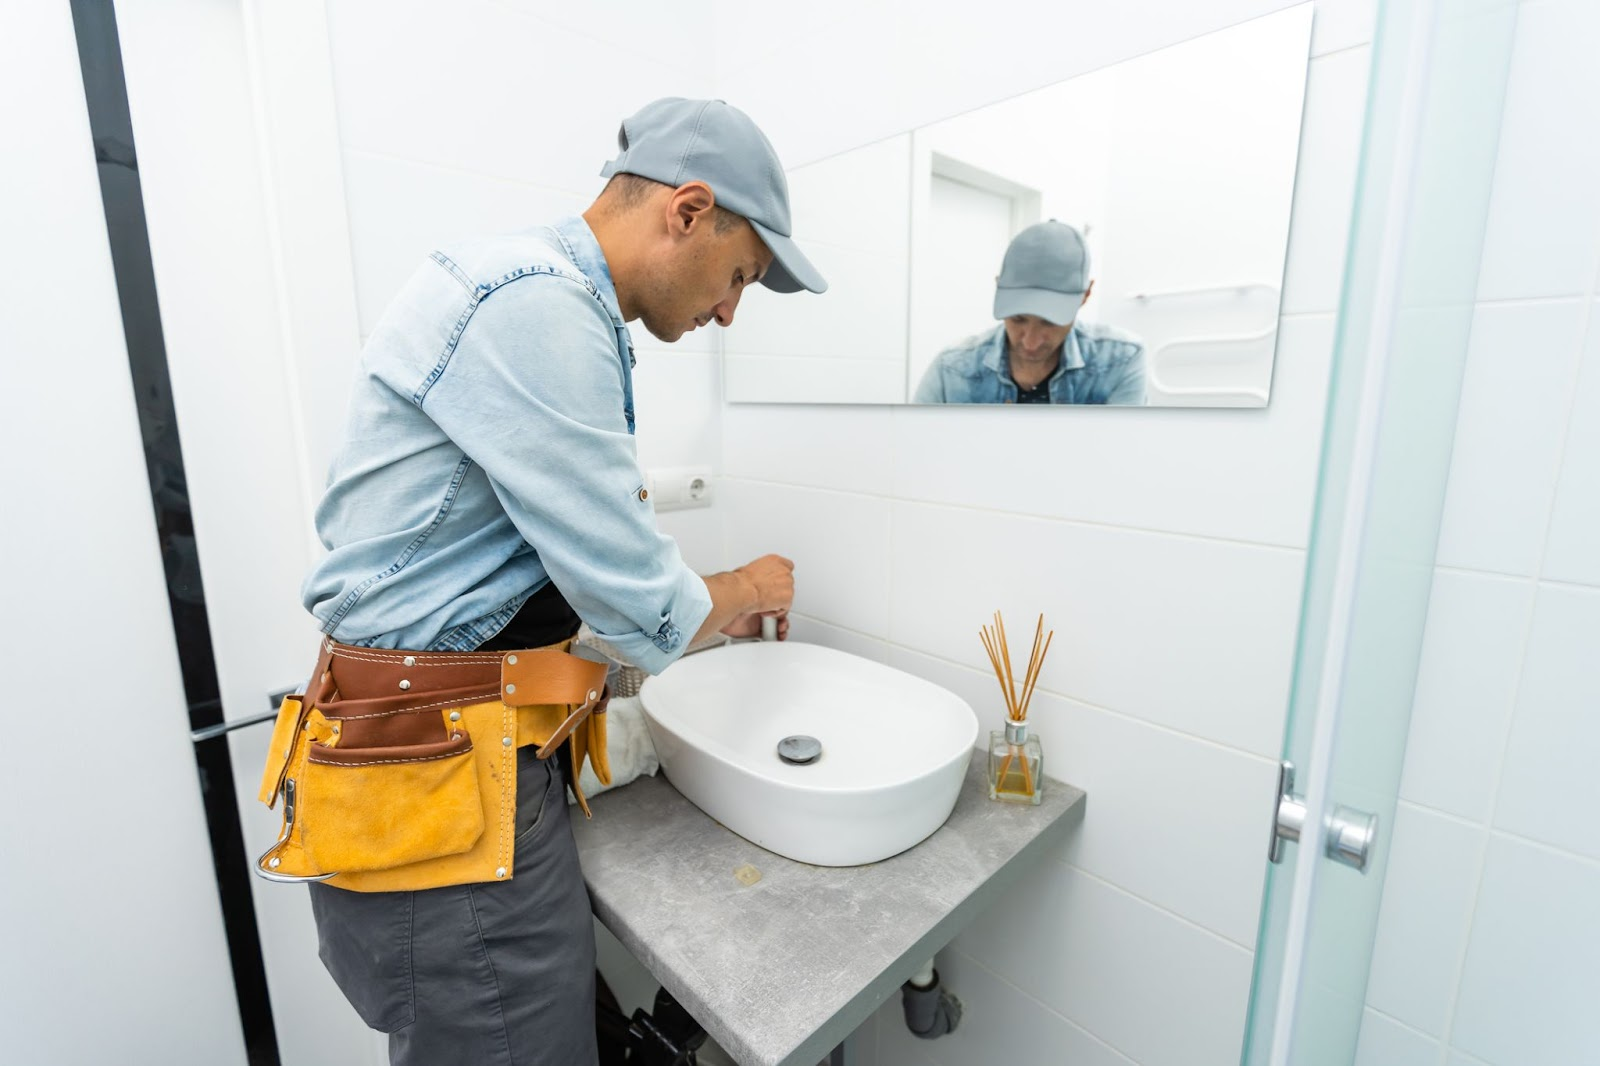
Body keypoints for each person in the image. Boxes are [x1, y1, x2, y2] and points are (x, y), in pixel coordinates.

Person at [288, 98, 825, 1065]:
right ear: (690, 210)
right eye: (740, 274)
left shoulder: (530, 294)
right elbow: (637, 603)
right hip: (438, 785)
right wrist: (747, 585)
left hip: (437, 768)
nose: (730, 310)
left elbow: (511, 583)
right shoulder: (536, 306)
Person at [913, 220, 1146, 405]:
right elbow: (915, 449)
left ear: (1085, 295)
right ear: (998, 288)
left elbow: (1123, 455)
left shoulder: (1120, 360)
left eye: (1050, 322)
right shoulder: (952, 368)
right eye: (1018, 319)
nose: (1031, 341)